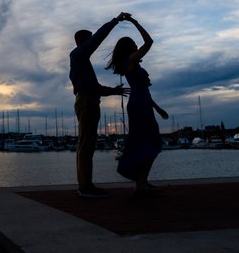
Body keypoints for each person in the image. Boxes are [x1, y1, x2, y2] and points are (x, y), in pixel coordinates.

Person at [106, 13, 168, 193]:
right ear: (128, 48)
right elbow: (149, 42)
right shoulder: (131, 61)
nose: (136, 46)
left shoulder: (134, 63)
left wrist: (157, 108)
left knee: (149, 142)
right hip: (139, 105)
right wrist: (134, 22)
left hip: (142, 103)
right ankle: (141, 183)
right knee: (150, 142)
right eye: (133, 45)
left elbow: (143, 90)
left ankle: (141, 182)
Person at [70, 13, 129, 198]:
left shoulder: (82, 62)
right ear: (82, 41)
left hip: (89, 99)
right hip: (87, 101)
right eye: (89, 39)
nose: (92, 43)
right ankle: (85, 187)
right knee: (86, 144)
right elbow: (98, 38)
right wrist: (115, 20)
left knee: (87, 143)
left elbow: (94, 87)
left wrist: (114, 91)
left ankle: (86, 184)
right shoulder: (78, 54)